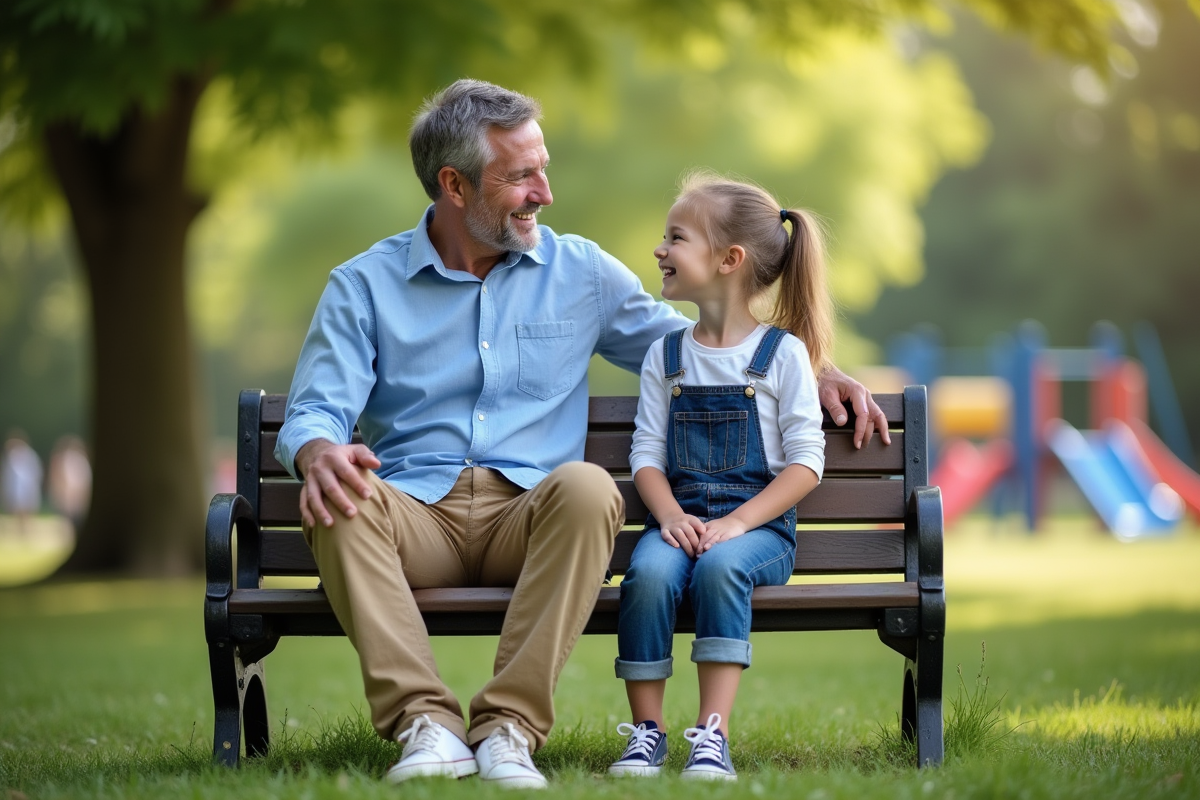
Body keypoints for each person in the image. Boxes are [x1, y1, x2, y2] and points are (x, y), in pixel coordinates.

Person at [275, 79, 888, 789]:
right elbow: (316, 412)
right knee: (340, 498)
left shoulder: (581, 272)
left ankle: (508, 729)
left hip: (532, 519)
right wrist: (320, 452)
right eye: (522, 176)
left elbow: (704, 347)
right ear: (454, 184)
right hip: (416, 518)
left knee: (591, 486)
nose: (545, 192)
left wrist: (818, 373)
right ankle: (428, 726)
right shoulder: (363, 285)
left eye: (544, 167)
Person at [608, 173, 832, 781]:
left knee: (721, 567)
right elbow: (646, 455)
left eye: (675, 238)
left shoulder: (780, 355)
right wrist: (670, 516)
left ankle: (712, 735)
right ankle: (646, 734)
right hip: (678, 521)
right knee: (649, 574)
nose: (660, 250)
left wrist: (735, 523)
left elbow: (807, 461)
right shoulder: (667, 354)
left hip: (757, 529)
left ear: (730, 260)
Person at [1, 430, 43, 538]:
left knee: (27, 510)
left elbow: (35, 472)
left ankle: (26, 532)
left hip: (27, 487)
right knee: (17, 510)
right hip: (16, 489)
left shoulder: (29, 455)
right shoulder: (11, 457)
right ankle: (21, 532)